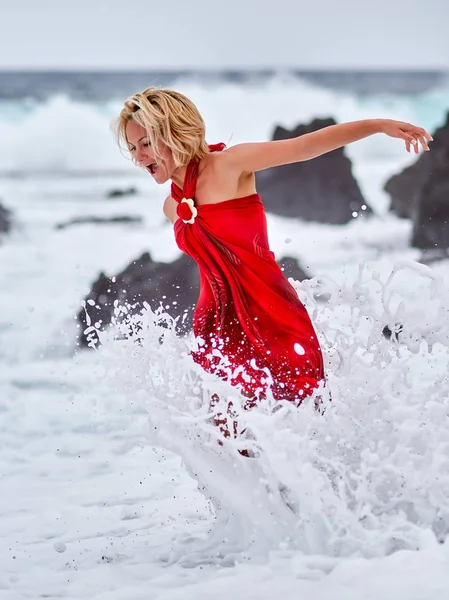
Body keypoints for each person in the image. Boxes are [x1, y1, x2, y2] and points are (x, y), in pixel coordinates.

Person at [112, 87, 432, 413]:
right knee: (229, 441)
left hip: (274, 317)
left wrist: (378, 125)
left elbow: (305, 146)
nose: (139, 156)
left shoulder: (229, 165)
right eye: (133, 148)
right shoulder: (171, 206)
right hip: (216, 331)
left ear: (173, 133)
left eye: (147, 143)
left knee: (305, 419)